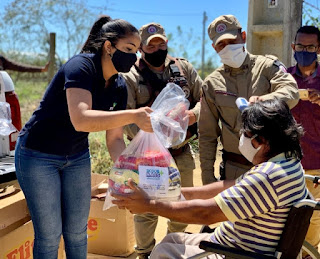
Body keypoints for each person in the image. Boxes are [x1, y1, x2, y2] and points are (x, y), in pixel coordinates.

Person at [14, 15, 153, 259]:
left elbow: (114, 140)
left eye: (137, 51)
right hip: (38, 155)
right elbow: (81, 120)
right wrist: (132, 115)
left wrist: (127, 173)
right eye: (129, 49)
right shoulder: (81, 66)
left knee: (78, 232)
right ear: (109, 46)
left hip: (76, 157)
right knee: (49, 234)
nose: (134, 57)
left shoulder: (119, 86)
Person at [112, 98, 307, 258]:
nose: (242, 137)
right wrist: (165, 194)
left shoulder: (267, 177)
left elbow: (205, 214)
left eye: (246, 133)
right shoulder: (288, 163)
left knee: (162, 252)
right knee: (171, 240)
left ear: (261, 141)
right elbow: (225, 187)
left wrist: (150, 205)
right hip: (234, 244)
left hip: (236, 254)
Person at [121, 22, 203, 258]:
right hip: (147, 157)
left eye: (161, 43)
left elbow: (203, 99)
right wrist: (153, 125)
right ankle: (145, 253)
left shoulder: (183, 68)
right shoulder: (130, 76)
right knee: (145, 209)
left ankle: (171, 247)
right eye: (151, 45)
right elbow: (124, 118)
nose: (158, 48)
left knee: (182, 203)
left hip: (181, 152)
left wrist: (191, 115)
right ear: (141, 49)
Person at [199, 14, 299, 185]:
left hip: (272, 170)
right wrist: (207, 177)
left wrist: (266, 101)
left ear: (243, 37)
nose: (227, 48)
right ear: (214, 48)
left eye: (232, 41)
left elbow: (291, 91)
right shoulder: (211, 84)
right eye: (221, 44)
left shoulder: (267, 67)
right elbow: (207, 134)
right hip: (233, 171)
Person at [287, 25, 320, 255]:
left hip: (318, 165)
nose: (305, 51)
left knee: (315, 218)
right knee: (285, 216)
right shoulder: (283, 79)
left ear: (319, 48)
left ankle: (309, 254)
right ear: (293, 47)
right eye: (301, 46)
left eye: (310, 47)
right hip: (287, 164)